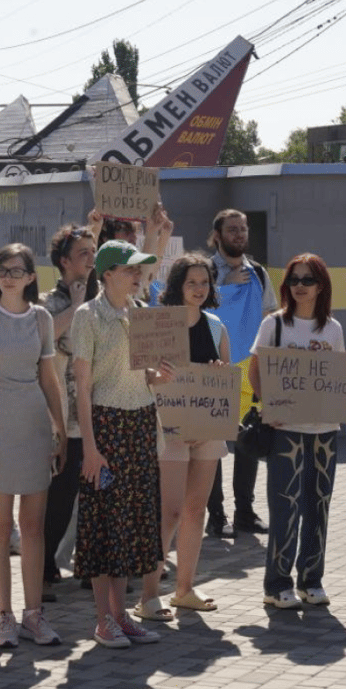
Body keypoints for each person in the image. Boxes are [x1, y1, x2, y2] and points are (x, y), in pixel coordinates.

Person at [0, 244, 67, 647]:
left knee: (34, 527)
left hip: (34, 427)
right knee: (1, 528)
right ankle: (4, 617)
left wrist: (59, 430)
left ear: (30, 277)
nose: (9, 276)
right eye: (2, 269)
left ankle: (34, 615)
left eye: (17, 270)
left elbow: (48, 378)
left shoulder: (42, 318)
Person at [73, 240, 169, 648]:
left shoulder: (141, 313)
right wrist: (90, 447)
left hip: (141, 423)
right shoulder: (88, 316)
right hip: (107, 425)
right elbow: (82, 387)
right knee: (104, 523)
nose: (137, 276)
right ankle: (103, 620)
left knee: (133, 522)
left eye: (139, 270)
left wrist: (160, 377)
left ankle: (120, 614)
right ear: (107, 273)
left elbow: (146, 375)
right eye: (130, 269)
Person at [136, 254, 232, 618]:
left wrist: (219, 371)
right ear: (177, 285)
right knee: (169, 511)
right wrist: (156, 376)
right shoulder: (158, 324)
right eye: (191, 282)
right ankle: (148, 596)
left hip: (206, 429)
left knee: (196, 510)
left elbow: (225, 377)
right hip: (168, 429)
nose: (199, 289)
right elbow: (141, 377)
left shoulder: (217, 327)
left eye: (204, 282)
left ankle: (184, 589)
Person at [249, 254, 344, 608]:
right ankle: (277, 584)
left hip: (325, 430)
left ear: (321, 286)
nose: (299, 286)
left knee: (319, 505)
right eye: (293, 280)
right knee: (285, 507)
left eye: (307, 280)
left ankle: (311, 580)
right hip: (285, 429)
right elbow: (255, 371)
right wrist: (268, 405)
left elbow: (338, 374)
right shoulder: (274, 324)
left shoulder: (332, 328)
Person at [204, 209, 275, 538]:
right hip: (214, 364)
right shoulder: (204, 271)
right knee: (213, 443)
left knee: (248, 439)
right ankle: (216, 515)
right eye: (232, 229)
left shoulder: (258, 272)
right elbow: (193, 308)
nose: (240, 234)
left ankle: (245, 512)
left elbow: (269, 314)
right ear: (217, 235)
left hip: (249, 366)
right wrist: (224, 286)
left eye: (243, 229)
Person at [39, 225, 99, 598]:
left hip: (97, 414)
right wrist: (75, 308)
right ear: (64, 262)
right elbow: (42, 338)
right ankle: (43, 570)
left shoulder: (102, 300)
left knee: (96, 496)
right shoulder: (48, 303)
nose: (91, 260)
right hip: (63, 418)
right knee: (59, 499)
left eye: (94, 252)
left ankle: (92, 567)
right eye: (83, 253)